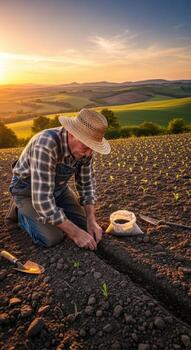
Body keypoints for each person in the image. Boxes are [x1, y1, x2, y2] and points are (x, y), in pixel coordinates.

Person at [6, 108, 111, 250]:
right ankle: (19, 210)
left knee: (84, 225)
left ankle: (56, 210)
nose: (89, 153)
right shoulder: (46, 144)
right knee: (52, 237)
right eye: (86, 146)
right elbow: (42, 199)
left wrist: (91, 220)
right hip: (29, 192)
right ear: (73, 134)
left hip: (58, 189)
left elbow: (86, 185)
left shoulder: (85, 151)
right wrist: (74, 233)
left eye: (93, 148)